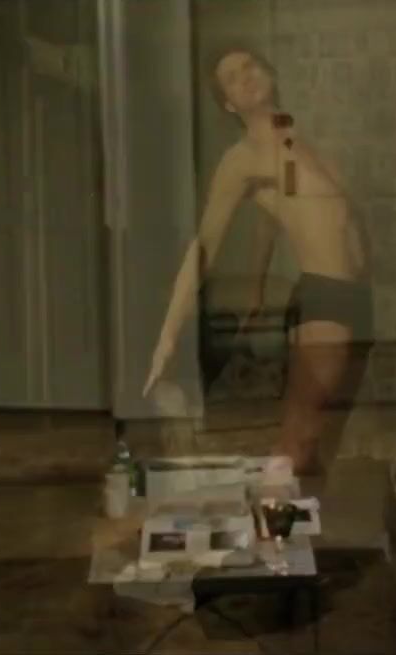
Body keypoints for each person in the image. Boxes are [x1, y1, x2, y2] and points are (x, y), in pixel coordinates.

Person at [143, 45, 372, 475]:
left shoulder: (294, 136)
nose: (246, 77)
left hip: (356, 296)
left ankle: (299, 517)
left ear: (270, 72)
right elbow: (204, 246)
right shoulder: (243, 159)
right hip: (325, 295)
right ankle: (266, 512)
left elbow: (277, 214)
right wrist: (168, 338)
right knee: (300, 435)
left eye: (249, 66)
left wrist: (257, 284)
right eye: (232, 78)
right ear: (229, 104)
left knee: (325, 439)